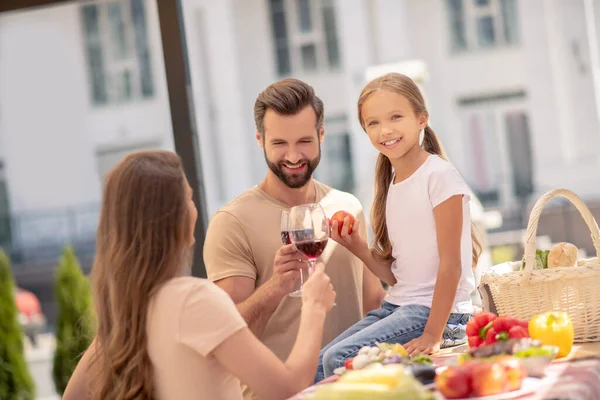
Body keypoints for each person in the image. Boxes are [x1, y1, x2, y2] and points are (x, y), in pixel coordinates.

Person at [61, 150, 336, 400]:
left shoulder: (125, 313)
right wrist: (314, 307)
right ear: (174, 217)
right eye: (189, 198)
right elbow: (288, 386)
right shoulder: (194, 300)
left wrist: (275, 287)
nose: (193, 208)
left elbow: (71, 397)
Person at [203, 78, 386, 399]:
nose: (292, 155)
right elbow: (227, 339)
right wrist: (276, 287)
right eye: (279, 144)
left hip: (357, 390)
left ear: (321, 135)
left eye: (304, 141)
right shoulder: (232, 222)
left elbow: (373, 305)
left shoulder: (346, 207)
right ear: (259, 140)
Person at [314, 72, 482, 381]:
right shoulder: (391, 183)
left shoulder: (439, 177)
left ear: (421, 119)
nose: (385, 130)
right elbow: (396, 277)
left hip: (440, 316)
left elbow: (451, 267)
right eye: (373, 123)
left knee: (339, 358)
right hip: (400, 305)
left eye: (395, 117)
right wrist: (357, 247)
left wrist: (432, 334)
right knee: (321, 360)